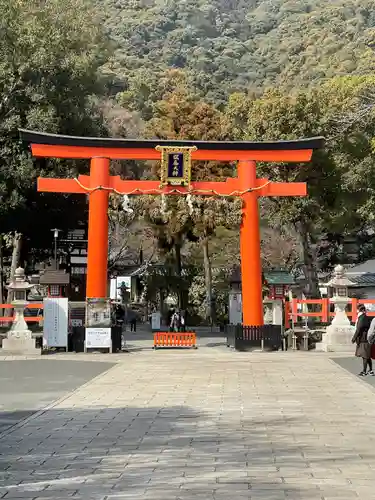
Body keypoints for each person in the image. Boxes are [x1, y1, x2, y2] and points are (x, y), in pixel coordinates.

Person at [352, 304, 373, 376]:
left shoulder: (362, 317)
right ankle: (370, 370)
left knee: (364, 356)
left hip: (363, 339)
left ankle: (364, 371)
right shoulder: (364, 317)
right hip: (366, 338)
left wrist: (354, 338)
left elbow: (359, 329)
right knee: (367, 356)